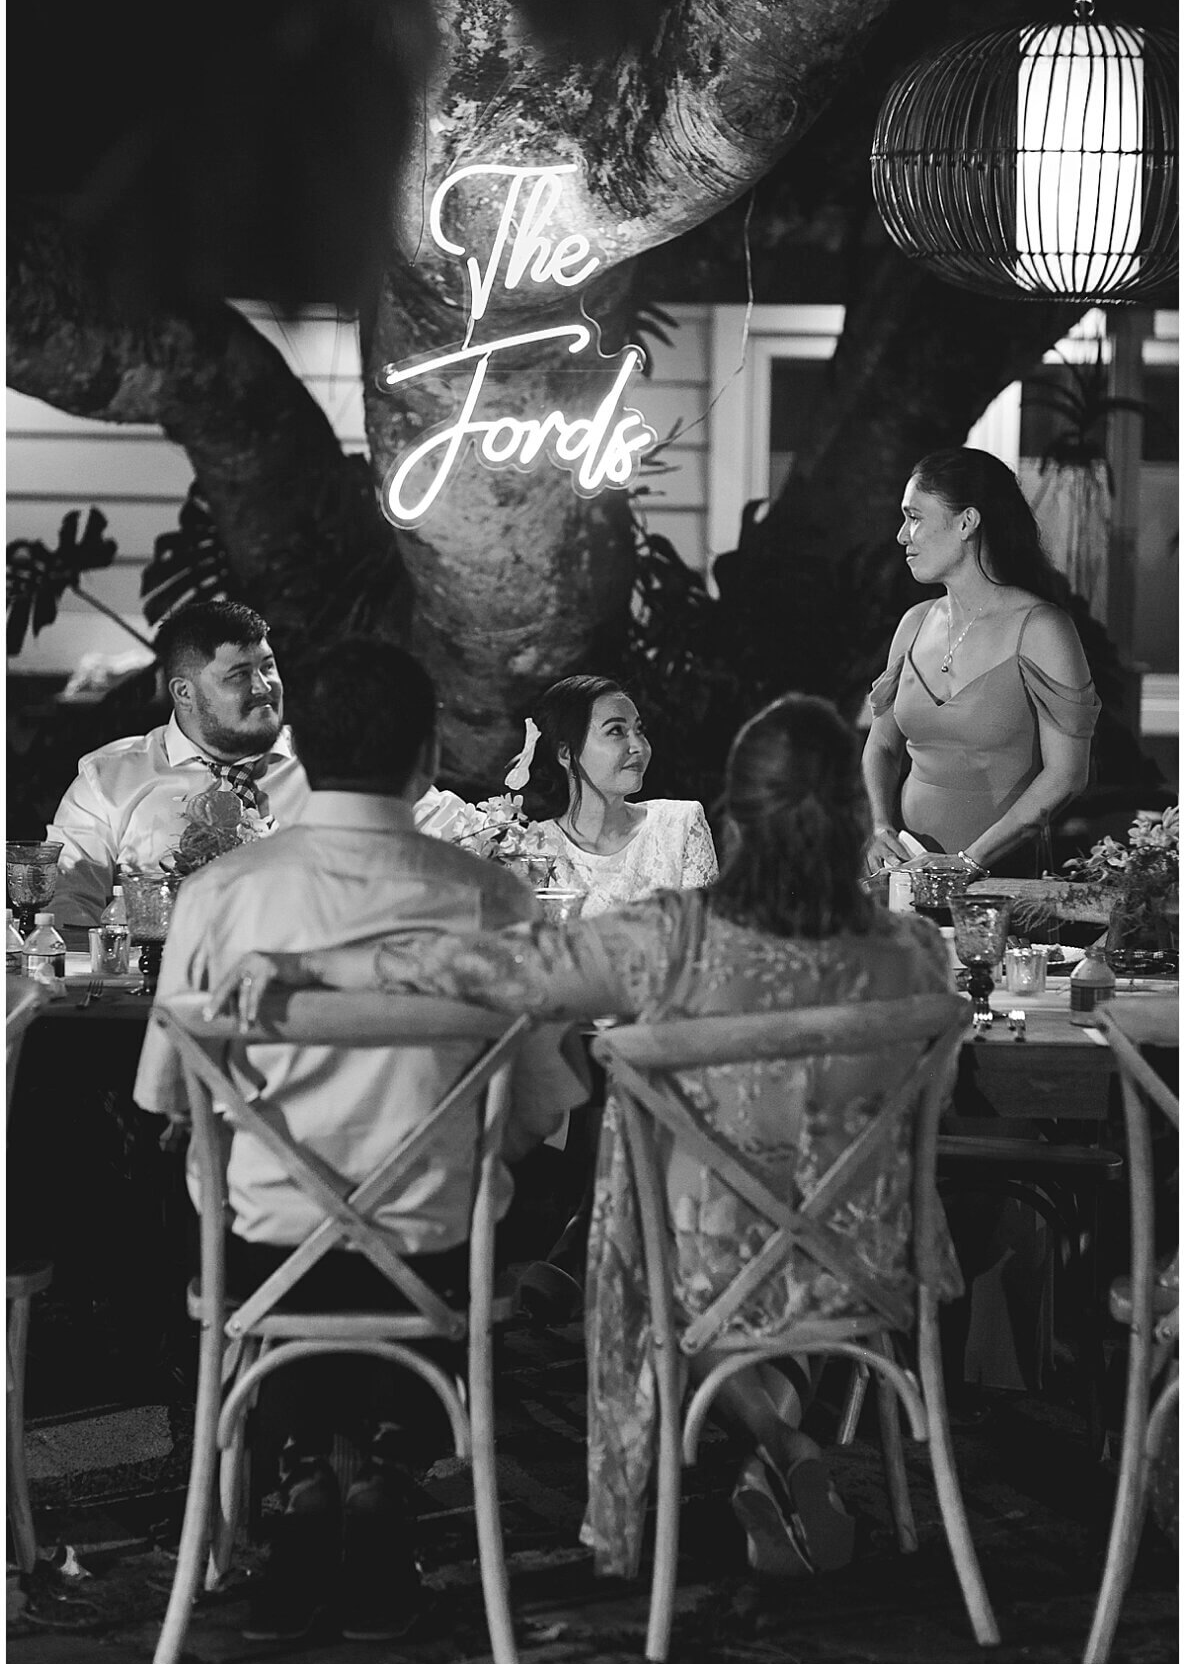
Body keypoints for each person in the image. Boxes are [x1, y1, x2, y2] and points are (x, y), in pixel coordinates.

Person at [247, 691, 958, 1581]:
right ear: (854, 818)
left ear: (735, 818)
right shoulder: (915, 955)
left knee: (675, 1259)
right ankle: (785, 1450)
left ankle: (773, 1444)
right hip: (871, 1256)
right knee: (796, 1265)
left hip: (698, 1265)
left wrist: (316, 961)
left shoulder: (672, 938)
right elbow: (941, 1087)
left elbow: (497, 969)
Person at [134, 637, 583, 1647]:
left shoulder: (222, 896)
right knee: (504, 1187)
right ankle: (386, 1461)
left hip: (261, 1259)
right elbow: (541, 1108)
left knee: (206, 1184)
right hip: (433, 1257)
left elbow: (168, 1095)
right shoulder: (492, 899)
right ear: (425, 758)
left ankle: (296, 1466)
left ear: (296, 744)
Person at [862, 446, 1100, 879]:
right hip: (908, 876)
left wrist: (968, 862)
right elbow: (880, 746)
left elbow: (1067, 775)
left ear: (967, 522)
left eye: (914, 517)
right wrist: (880, 825)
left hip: (1002, 880)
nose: (902, 535)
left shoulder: (1042, 629)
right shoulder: (914, 624)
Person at [50, 599, 309, 932]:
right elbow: (67, 905)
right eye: (239, 675)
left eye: (267, 667)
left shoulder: (326, 766)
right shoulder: (109, 779)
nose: (263, 687)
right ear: (184, 692)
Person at [498, 674, 718, 914]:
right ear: (566, 753)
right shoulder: (534, 849)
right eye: (616, 731)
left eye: (639, 730)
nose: (638, 747)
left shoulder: (680, 825)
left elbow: (702, 940)